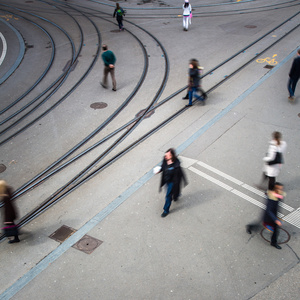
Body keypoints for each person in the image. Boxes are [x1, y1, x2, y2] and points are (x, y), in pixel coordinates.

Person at [246, 182, 285, 249]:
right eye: (279, 189)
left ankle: (273, 242)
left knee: (275, 229)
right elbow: (269, 210)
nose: (281, 190)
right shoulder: (271, 198)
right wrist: (275, 219)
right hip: (268, 216)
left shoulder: (278, 195)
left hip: (274, 215)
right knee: (260, 224)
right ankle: (249, 227)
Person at [157, 148, 187, 218]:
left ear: (171, 156)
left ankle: (166, 210)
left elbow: (179, 174)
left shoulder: (176, 165)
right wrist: (159, 170)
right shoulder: (165, 160)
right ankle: (176, 196)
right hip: (166, 180)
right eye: (165, 155)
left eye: (167, 155)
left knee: (168, 195)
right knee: (172, 192)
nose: (165, 156)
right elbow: (163, 167)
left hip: (173, 182)